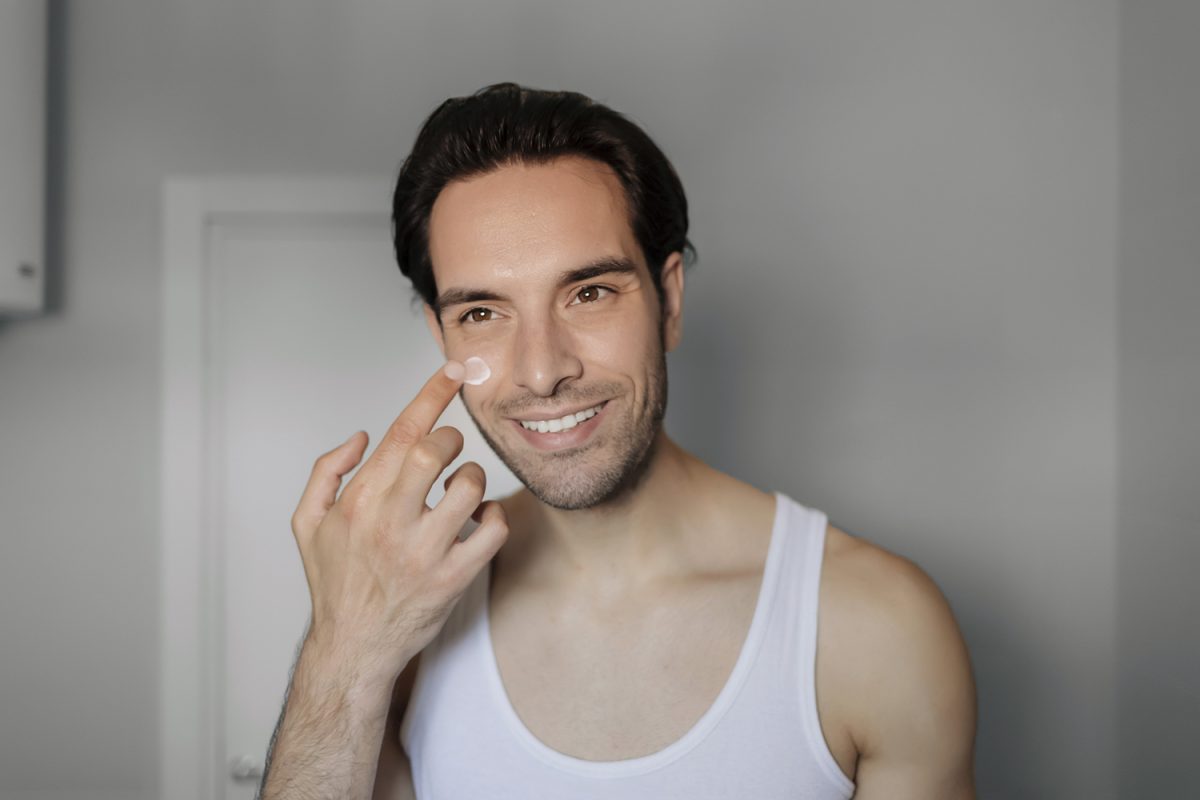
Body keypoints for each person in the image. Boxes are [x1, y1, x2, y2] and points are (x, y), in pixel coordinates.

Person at [260, 82, 977, 800]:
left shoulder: (873, 626)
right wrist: (341, 650)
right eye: (482, 312)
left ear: (669, 301)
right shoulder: (409, 620)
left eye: (590, 293)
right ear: (440, 334)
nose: (542, 371)